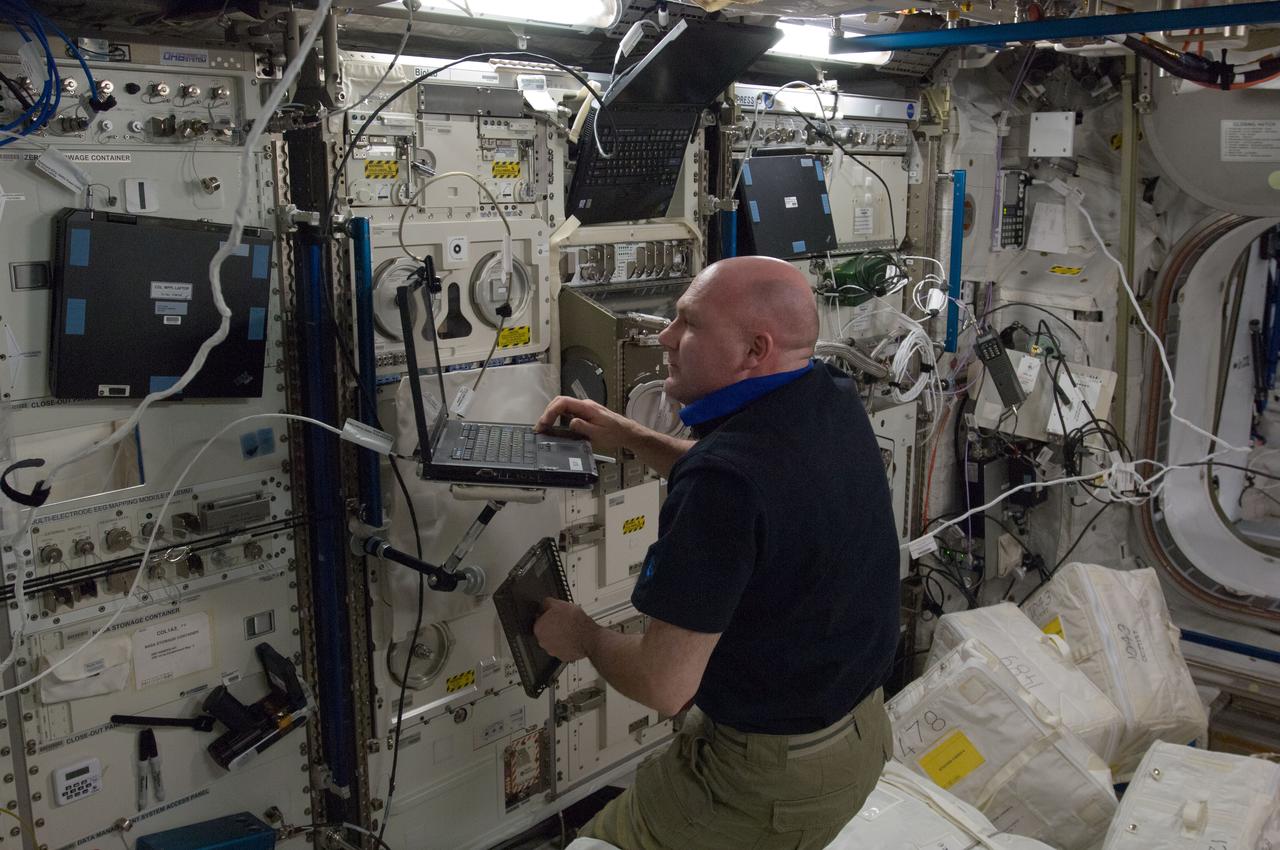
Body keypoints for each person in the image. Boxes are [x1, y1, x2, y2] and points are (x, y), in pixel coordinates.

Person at [534, 256, 900, 850]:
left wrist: (581, 636)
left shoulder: (723, 486)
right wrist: (629, 434)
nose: (664, 338)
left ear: (754, 350)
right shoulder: (828, 395)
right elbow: (763, 486)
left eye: (689, 324)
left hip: (768, 783)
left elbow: (663, 686)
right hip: (857, 738)